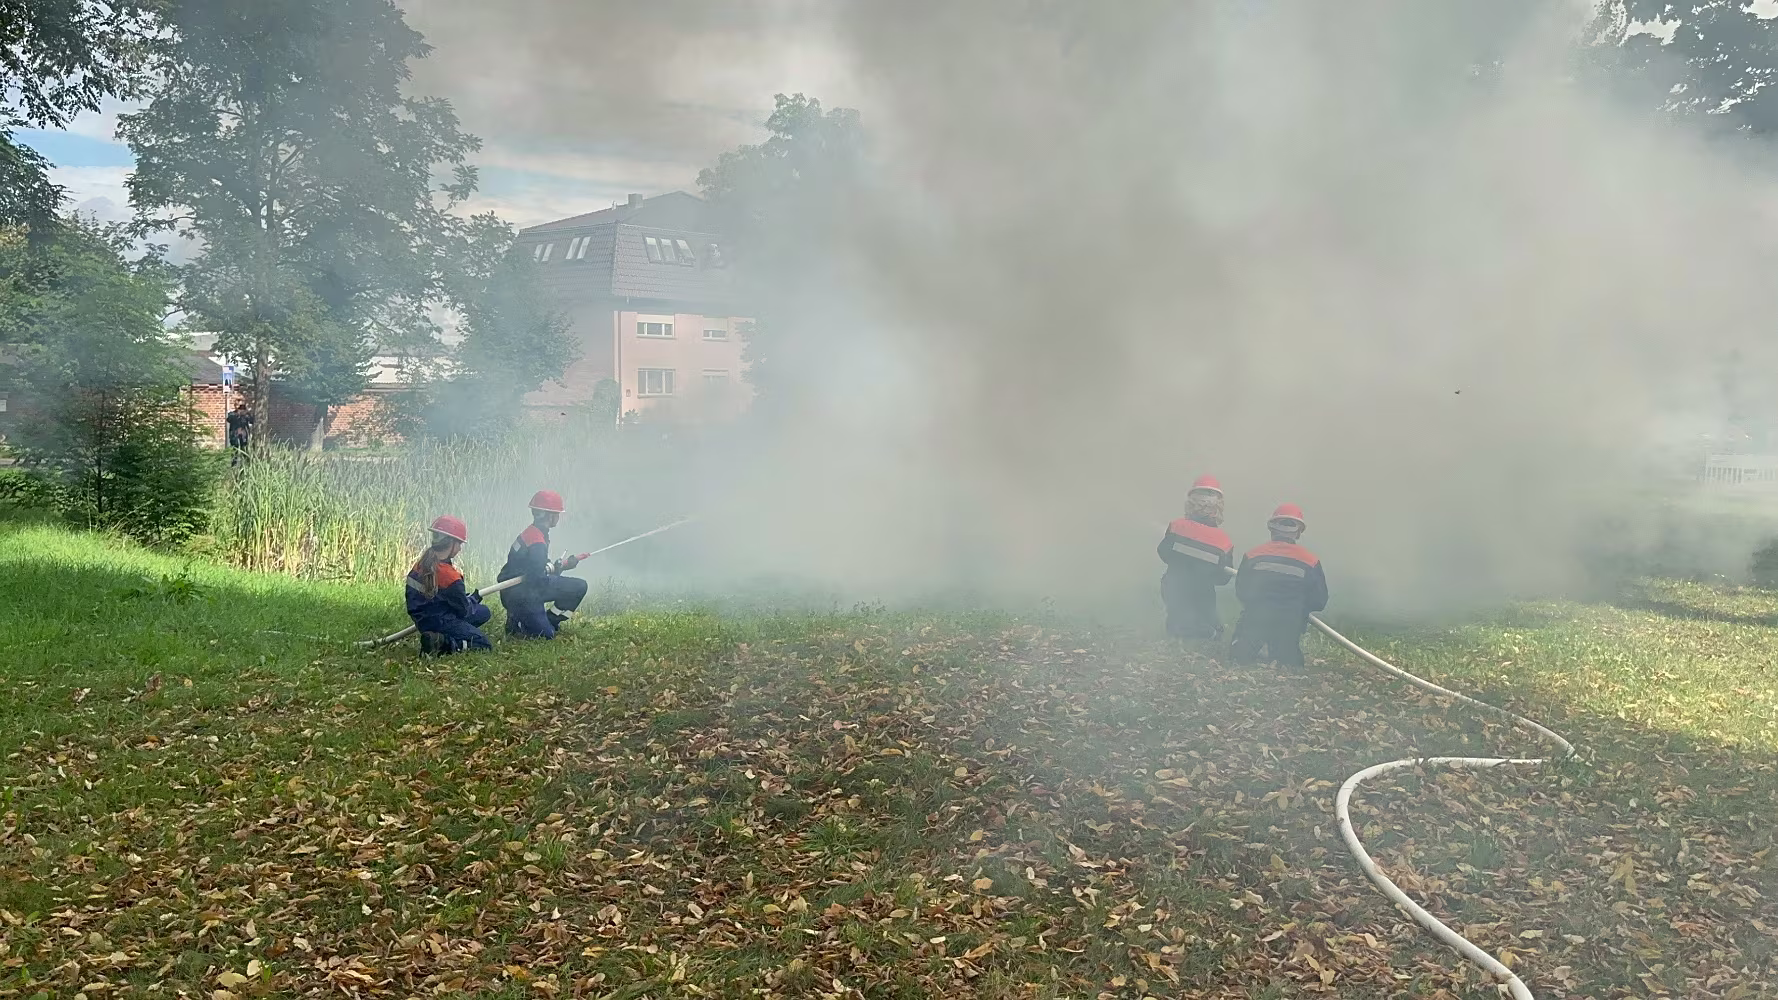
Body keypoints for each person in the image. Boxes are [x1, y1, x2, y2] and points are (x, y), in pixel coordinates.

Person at [1230, 503, 1328, 669]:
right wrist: (1298, 607)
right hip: (1289, 623)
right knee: (1290, 664)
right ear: (1299, 532)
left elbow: (1242, 591)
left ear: (1271, 529)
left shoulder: (1253, 555)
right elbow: (1319, 601)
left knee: (1240, 656)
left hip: (1255, 619)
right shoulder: (1310, 561)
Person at [497, 490, 588, 639]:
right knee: (545, 635)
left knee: (578, 586)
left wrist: (560, 567)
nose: (558, 517)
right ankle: (518, 622)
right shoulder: (537, 542)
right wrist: (557, 575)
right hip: (522, 595)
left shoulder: (532, 533)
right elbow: (537, 580)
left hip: (518, 590)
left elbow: (535, 568)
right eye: (557, 514)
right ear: (549, 515)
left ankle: (549, 621)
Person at [1158, 474, 1235, 640]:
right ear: (1218, 507)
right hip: (1204, 592)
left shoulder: (1176, 526)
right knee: (1211, 627)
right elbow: (1223, 579)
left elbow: (1163, 553)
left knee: (1177, 623)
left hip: (1173, 586)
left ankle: (1187, 636)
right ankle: (1212, 634)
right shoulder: (1224, 541)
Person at [406, 515, 492, 655]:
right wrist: (472, 600)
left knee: (484, 612)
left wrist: (467, 600)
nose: (460, 549)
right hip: (442, 621)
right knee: (483, 644)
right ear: (451, 543)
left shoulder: (420, 565)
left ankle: (443, 635)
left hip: (423, 619)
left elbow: (437, 597)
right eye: (459, 544)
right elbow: (464, 611)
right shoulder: (451, 577)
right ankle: (444, 643)